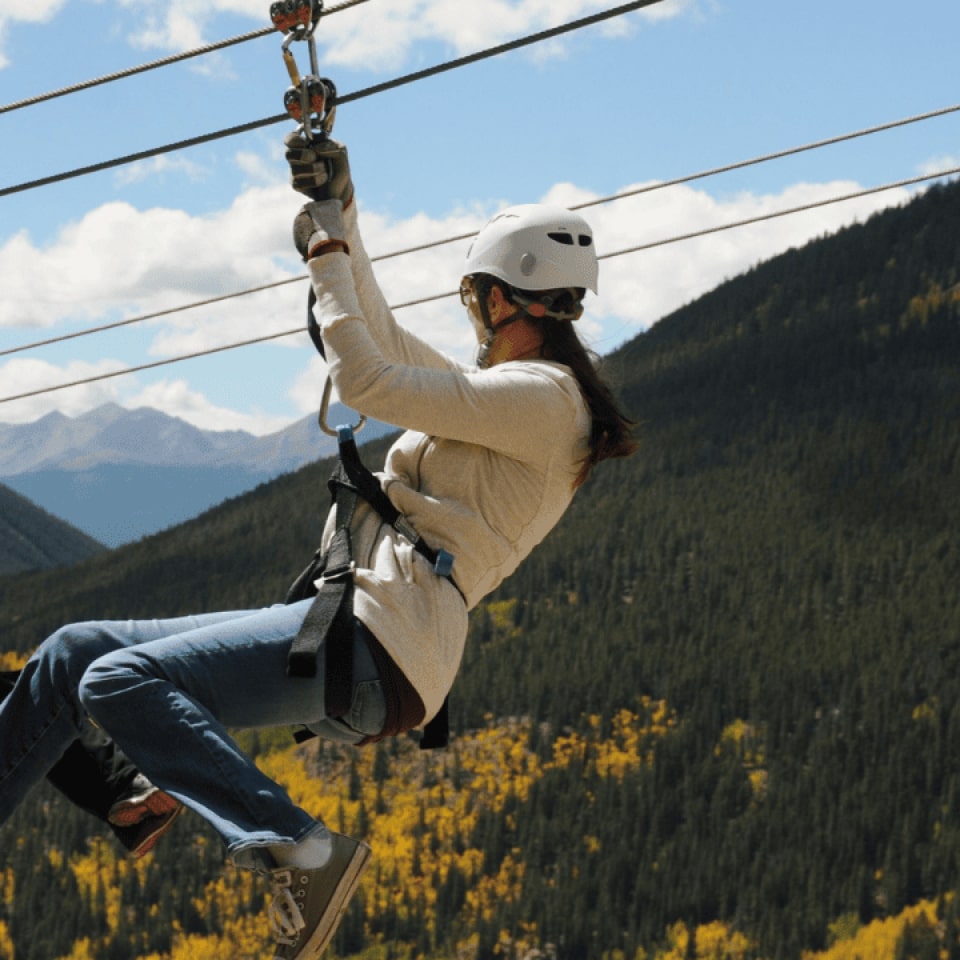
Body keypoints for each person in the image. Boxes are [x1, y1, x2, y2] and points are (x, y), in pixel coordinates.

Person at [0, 132, 636, 959]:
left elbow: (368, 380)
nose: (470, 313)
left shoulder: (546, 403)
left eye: (475, 296)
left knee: (118, 678)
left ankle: (300, 849)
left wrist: (330, 249)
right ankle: (167, 805)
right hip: (351, 631)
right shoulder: (516, 397)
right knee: (72, 652)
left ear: (499, 296)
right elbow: (382, 338)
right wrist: (340, 213)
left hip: (383, 647)